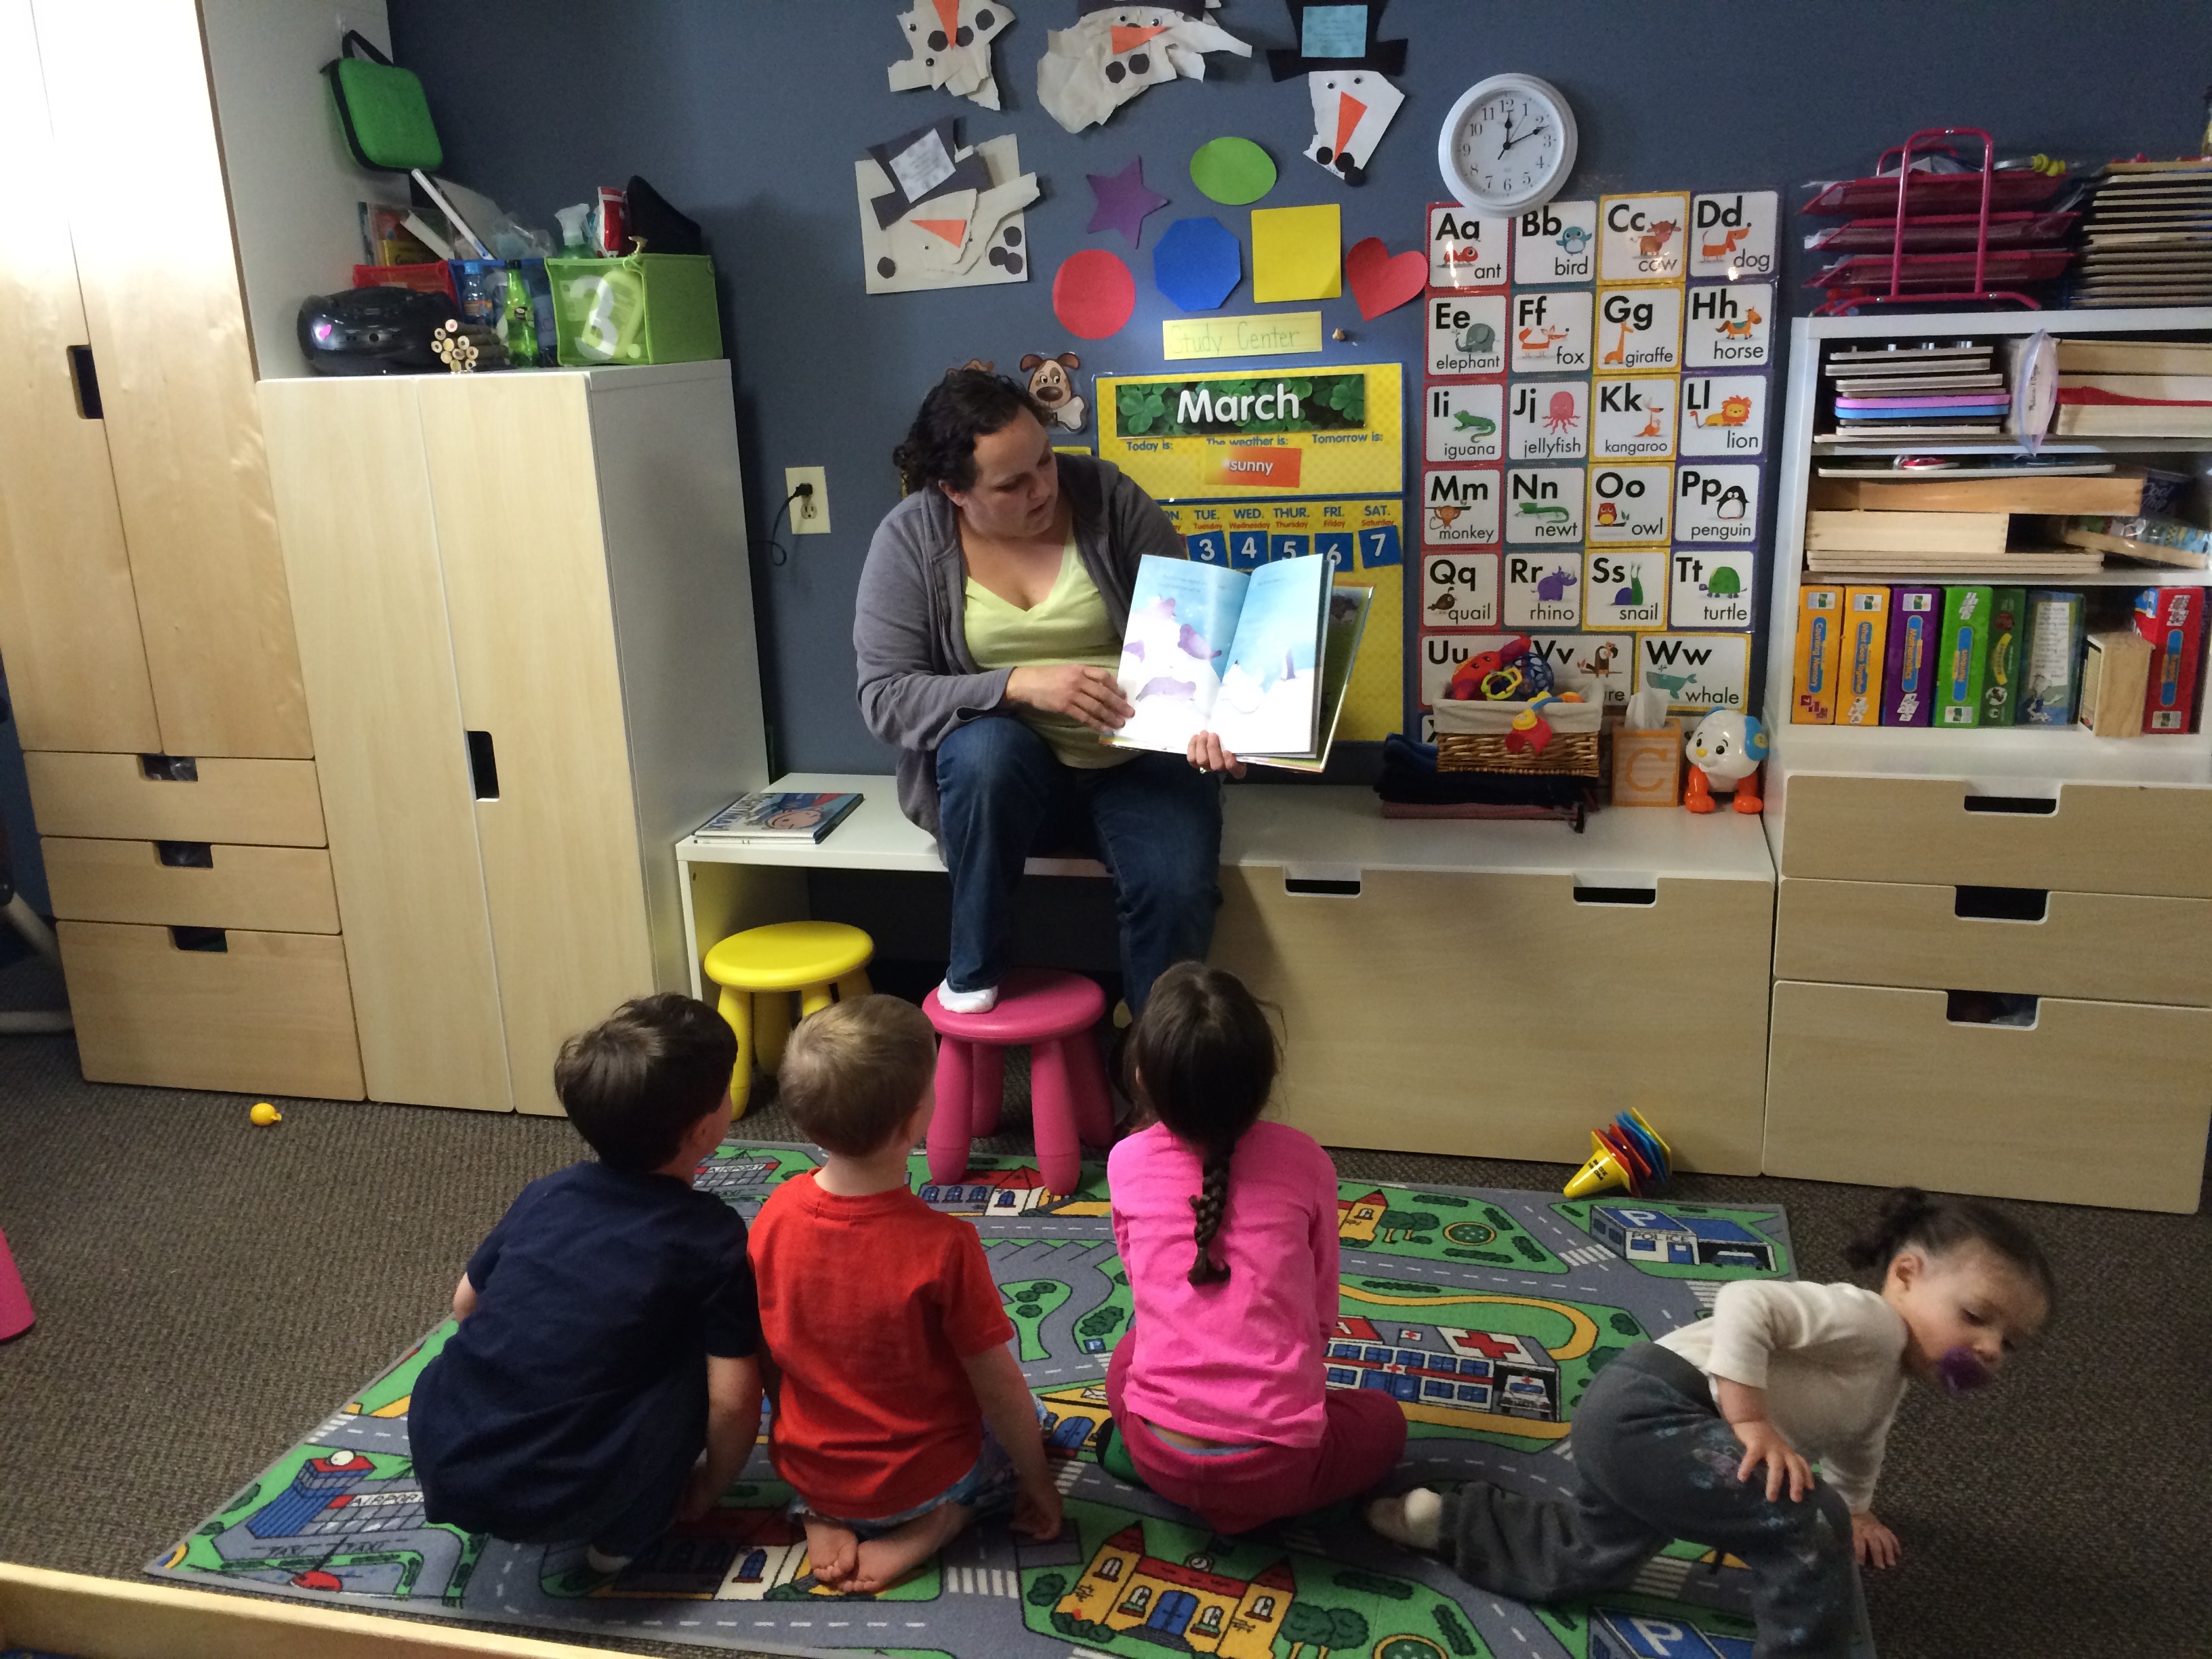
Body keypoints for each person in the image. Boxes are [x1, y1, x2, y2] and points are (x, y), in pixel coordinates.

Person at [1368, 1187, 2055, 1658]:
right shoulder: (1866, 1319)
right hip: (1658, 1408)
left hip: (1650, 1433)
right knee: (1805, 1521)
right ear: (1905, 1274)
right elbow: (1745, 1301)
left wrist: (1861, 1508)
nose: (1991, 1349)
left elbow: (1858, 1444)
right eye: (1975, 1316)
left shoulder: (1884, 1378)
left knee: (1587, 1552)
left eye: (2011, 1344)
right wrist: (1752, 1421)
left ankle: (1444, 1522)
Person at [854, 369, 1242, 1019]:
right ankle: (974, 973)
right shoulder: (909, 539)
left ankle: (1160, 1072)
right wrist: (1018, 684)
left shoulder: (1106, 497)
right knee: (983, 752)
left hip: (1136, 761)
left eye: (1045, 460)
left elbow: (1197, 630)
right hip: (1009, 783)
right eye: (1012, 483)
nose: (1042, 488)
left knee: (1177, 888)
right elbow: (885, 697)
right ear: (954, 491)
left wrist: (1216, 718)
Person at [411, 995, 762, 1574]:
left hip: (446, 1457)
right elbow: (733, 1400)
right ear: (704, 1130)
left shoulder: (549, 1190)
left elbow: (465, 1304)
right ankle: (623, 1539)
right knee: (700, 1362)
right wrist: (707, 1488)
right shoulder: (711, 1236)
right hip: (576, 1498)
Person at [750, 994, 1061, 1593]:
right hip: (920, 1479)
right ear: (915, 1120)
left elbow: (768, 1348)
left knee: (823, 1417)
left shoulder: (773, 1214)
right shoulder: (945, 1245)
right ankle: (938, 1525)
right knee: (1032, 1420)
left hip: (813, 1465)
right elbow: (996, 1385)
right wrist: (1038, 1483)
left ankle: (820, 1510)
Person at [1103, 962, 1406, 1534]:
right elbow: (1318, 1315)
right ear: (1266, 1079)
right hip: (1277, 1465)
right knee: (1385, 1422)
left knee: (1126, 1356)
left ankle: (1157, 1473)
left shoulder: (1125, 1163)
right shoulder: (1307, 1161)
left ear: (1141, 1077)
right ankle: (1277, 1503)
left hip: (1157, 1450)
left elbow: (1143, 1283)